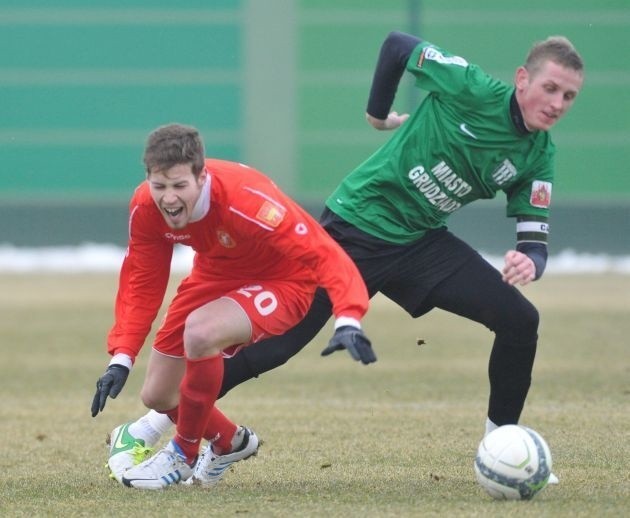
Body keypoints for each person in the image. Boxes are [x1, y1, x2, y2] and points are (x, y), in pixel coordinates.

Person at [103, 31, 584, 484]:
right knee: (271, 351)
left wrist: (530, 261)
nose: (557, 104)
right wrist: (377, 113)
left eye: (569, 97)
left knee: (520, 319)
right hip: (355, 226)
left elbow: (534, 238)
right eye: (550, 88)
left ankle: (501, 445)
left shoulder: (538, 153)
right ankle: (150, 425)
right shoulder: (472, 86)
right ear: (523, 79)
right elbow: (398, 45)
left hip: (421, 242)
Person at [90, 123, 371, 490]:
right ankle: (230, 443)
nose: (169, 199)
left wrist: (348, 316)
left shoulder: (247, 200)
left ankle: (182, 454)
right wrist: (122, 357)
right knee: (158, 394)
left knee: (202, 331)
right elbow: (142, 279)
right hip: (215, 273)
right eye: (159, 186)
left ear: (201, 176)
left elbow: (323, 252)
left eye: (179, 186)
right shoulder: (146, 206)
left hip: (284, 280)